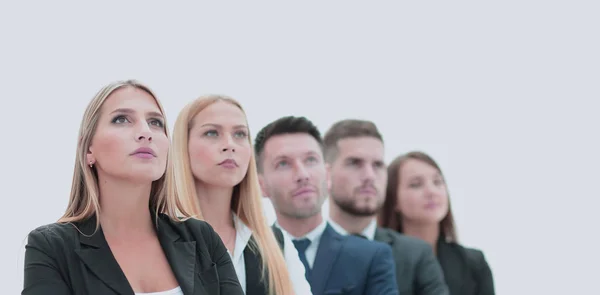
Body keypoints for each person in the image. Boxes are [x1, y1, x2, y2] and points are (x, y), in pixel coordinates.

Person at [22, 80, 244, 295]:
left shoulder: (202, 238)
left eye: (156, 122)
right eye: (121, 119)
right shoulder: (51, 247)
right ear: (88, 149)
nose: (145, 132)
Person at [169, 95, 311, 295]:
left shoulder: (277, 245)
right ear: (183, 147)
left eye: (240, 134)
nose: (230, 144)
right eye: (212, 133)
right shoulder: (157, 240)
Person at [254, 115, 399, 295]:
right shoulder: (247, 255)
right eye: (283, 163)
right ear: (260, 185)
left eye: (311, 160)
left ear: (327, 174)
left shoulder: (370, 256)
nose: (302, 174)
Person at [322, 119, 449, 295]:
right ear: (324, 174)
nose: (369, 176)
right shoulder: (293, 252)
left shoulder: (416, 255)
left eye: (378, 165)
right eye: (354, 163)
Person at [379, 151, 495, 295]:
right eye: (416, 185)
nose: (431, 191)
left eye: (437, 182)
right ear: (393, 199)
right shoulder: (378, 258)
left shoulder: (473, 262)